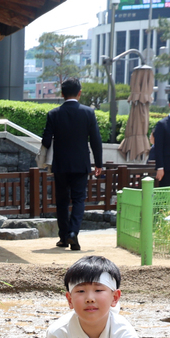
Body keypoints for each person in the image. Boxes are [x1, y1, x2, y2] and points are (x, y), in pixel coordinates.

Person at [40, 78, 103, 252]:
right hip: (81, 163)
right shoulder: (88, 113)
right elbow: (96, 140)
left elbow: (46, 140)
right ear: (80, 93)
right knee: (79, 199)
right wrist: (99, 163)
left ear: (62, 94)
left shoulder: (53, 114)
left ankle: (63, 237)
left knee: (61, 201)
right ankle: (73, 233)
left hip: (60, 164)